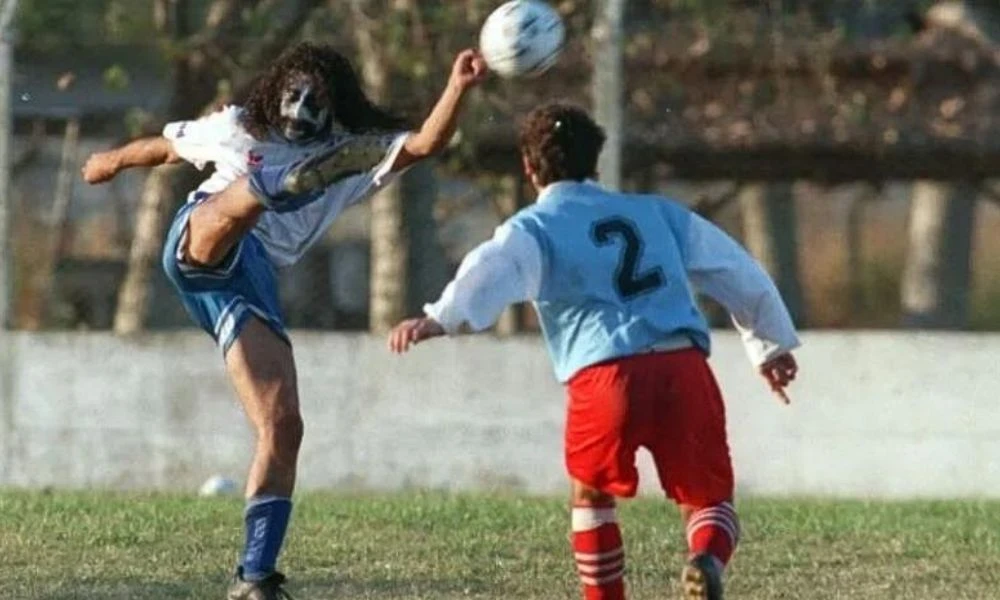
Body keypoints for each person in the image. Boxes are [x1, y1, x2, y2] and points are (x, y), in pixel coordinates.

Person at [83, 42, 488, 600]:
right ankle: (266, 188)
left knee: (283, 426)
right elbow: (166, 147)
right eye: (294, 95)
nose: (301, 108)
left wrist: (459, 87)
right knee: (227, 211)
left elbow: (424, 143)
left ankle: (254, 578)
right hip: (203, 238)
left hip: (248, 287)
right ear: (274, 92)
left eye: (316, 100)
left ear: (336, 106)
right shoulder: (238, 127)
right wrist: (109, 160)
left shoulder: (351, 156)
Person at [387, 102, 800, 600]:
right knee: (710, 499)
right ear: (595, 163)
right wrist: (770, 343)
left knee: (590, 495)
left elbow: (490, 267)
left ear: (528, 165)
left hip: (605, 379)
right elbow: (736, 269)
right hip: (682, 366)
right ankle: (706, 560)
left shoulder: (534, 226)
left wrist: (440, 318)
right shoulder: (657, 213)